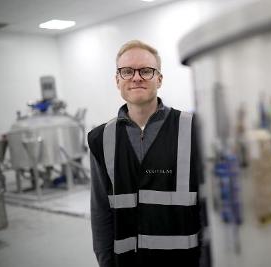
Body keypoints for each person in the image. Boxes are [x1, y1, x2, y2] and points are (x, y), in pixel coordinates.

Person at [87, 40, 206, 267]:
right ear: (117, 80)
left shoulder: (193, 129)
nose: (136, 77)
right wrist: (105, 262)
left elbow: (207, 205)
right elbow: (101, 213)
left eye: (146, 71)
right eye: (127, 71)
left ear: (159, 79)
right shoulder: (99, 139)